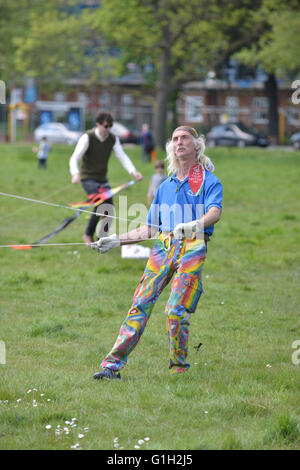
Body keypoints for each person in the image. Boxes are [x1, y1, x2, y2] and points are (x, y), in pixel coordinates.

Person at [90, 125, 223, 379]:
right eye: (174, 139)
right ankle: (111, 367)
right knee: (139, 303)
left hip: (194, 246)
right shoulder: (165, 186)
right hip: (163, 245)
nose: (179, 142)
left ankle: (179, 368)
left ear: (197, 145)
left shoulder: (209, 181)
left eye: (185, 138)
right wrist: (116, 240)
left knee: (176, 310)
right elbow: (150, 229)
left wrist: (195, 225)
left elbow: (215, 211)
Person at [69, 112, 143, 244]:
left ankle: (101, 239)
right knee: (101, 202)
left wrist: (133, 172)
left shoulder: (112, 139)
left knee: (108, 208)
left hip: (102, 179)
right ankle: (88, 235)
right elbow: (74, 158)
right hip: (88, 178)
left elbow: (122, 156)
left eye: (111, 126)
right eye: (106, 126)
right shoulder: (88, 137)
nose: (108, 129)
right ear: (98, 124)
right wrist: (75, 173)